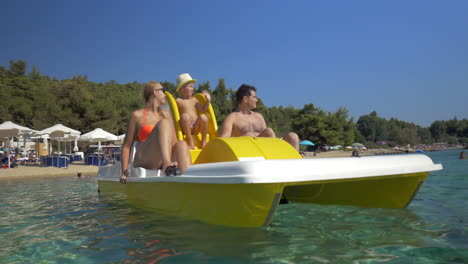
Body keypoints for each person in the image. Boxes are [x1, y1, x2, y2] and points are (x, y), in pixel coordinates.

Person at [119, 81, 192, 184]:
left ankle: (189, 180)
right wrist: (124, 172)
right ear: (155, 92)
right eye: (163, 91)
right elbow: (126, 146)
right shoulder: (137, 115)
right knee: (163, 123)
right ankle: (167, 165)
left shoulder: (166, 114)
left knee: (181, 144)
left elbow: (174, 142)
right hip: (144, 158)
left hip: (161, 159)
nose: (165, 94)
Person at [219, 84, 299, 151]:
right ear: (245, 99)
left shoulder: (259, 116)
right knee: (269, 131)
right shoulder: (232, 118)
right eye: (254, 97)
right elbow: (224, 139)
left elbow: (268, 137)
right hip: (246, 150)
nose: (257, 100)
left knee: (293, 136)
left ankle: (296, 163)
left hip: (264, 149)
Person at [175, 73, 212, 149]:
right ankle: (190, 142)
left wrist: (208, 100)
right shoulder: (178, 101)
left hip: (196, 126)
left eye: (193, 87)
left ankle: (203, 141)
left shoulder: (194, 100)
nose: (193, 89)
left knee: (203, 117)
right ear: (182, 89)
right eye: (190, 86)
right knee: (185, 116)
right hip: (185, 127)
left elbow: (203, 109)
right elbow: (174, 115)